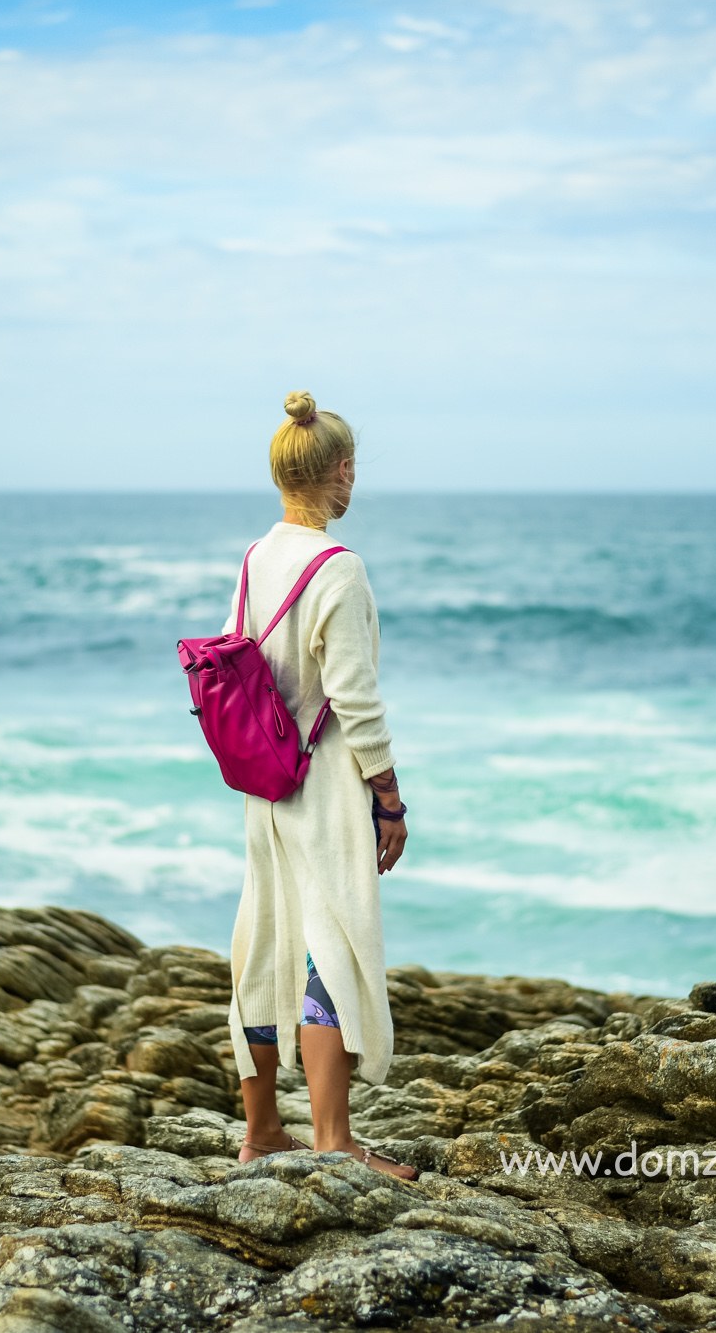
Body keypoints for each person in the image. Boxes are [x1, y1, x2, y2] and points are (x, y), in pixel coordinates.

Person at [222, 389, 417, 1180]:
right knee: (329, 945)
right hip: (326, 779)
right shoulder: (338, 568)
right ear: (338, 471)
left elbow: (241, 658)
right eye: (352, 467)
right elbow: (356, 699)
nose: (354, 480)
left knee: (264, 939)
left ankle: (263, 1128)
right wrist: (390, 797)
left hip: (264, 777)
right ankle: (333, 1138)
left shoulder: (256, 556)